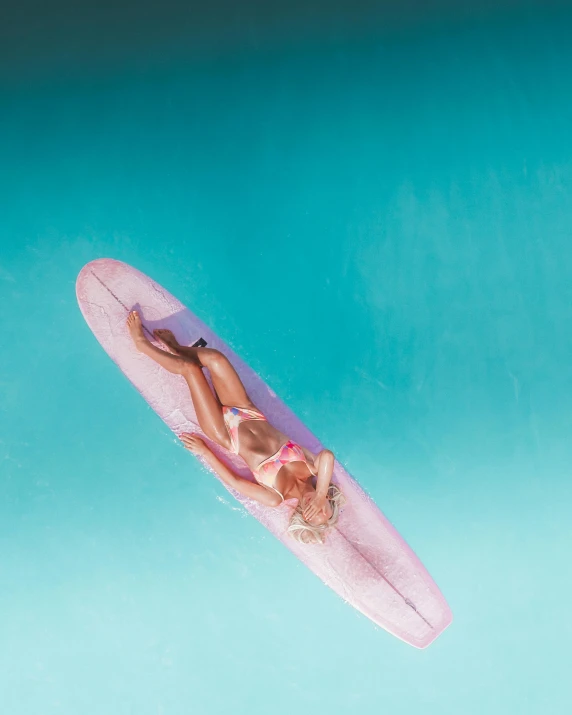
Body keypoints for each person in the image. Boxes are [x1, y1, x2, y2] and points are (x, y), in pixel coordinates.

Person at [126, 310, 345, 544]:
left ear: (304, 515)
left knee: (191, 371)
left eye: (315, 516)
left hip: (225, 433)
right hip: (246, 410)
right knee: (215, 359)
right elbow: (328, 455)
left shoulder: (275, 497)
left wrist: (205, 452)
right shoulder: (311, 467)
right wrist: (321, 494)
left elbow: (236, 482)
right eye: (325, 509)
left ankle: (141, 344)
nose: (319, 510)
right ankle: (177, 348)